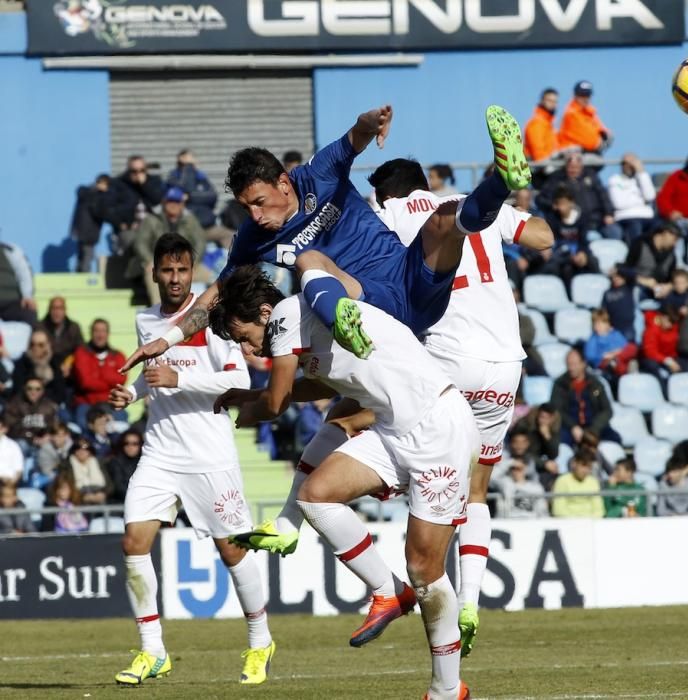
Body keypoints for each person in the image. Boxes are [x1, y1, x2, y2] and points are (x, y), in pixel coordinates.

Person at [208, 266, 477, 700]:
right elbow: (316, 383)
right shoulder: (304, 322)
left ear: (262, 312)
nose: (245, 348)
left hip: (437, 427)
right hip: (395, 429)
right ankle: (387, 592)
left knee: (425, 569)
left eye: (242, 336)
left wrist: (249, 408)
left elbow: (276, 403)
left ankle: (447, 689)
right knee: (316, 495)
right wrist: (253, 395)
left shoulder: (284, 316)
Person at [122, 104, 530, 373]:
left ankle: (502, 181)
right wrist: (168, 337)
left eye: (260, 202)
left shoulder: (319, 172)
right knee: (308, 260)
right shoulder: (251, 238)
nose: (255, 216)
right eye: (246, 208)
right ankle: (342, 324)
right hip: (370, 307)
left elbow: (357, 134)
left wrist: (374, 121)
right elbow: (216, 292)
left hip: (413, 283)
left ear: (284, 183)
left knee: (443, 220)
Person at [352, 157, 552, 656]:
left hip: (446, 354)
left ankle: (409, 564)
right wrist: (513, 204)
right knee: (476, 487)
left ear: (386, 195)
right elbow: (544, 238)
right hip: (505, 362)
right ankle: (470, 602)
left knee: (379, 418)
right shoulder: (469, 204)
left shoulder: (392, 214)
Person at [107, 234, 274, 686]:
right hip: (160, 450)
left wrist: (178, 377)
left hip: (209, 452)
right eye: (168, 270)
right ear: (155, 273)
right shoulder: (146, 320)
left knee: (232, 550)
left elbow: (236, 379)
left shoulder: (216, 318)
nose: (175, 279)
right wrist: (133, 393)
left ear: (193, 271)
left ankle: (260, 641)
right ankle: (152, 651)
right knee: (133, 544)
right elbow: (151, 375)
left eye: (183, 270)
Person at [129, 186, 207, 305]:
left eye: (176, 201)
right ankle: (161, 310)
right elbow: (140, 243)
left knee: (208, 275)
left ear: (182, 204)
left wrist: (193, 262)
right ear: (163, 202)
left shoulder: (190, 220)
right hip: (157, 264)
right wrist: (149, 260)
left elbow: (200, 242)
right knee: (153, 275)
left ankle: (204, 311)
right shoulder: (151, 219)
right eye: (170, 201)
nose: (173, 205)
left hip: (183, 263)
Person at [537, 153, 620, 240]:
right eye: (570, 167)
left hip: (597, 220)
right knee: (590, 237)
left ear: (581, 166)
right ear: (566, 166)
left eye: (576, 167)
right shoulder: (557, 179)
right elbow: (541, 199)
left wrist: (609, 214)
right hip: (571, 226)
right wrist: (554, 205)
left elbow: (603, 195)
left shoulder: (591, 176)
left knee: (614, 232)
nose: (573, 170)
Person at [550, 348, 615, 447]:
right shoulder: (560, 384)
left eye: (574, 364)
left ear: (583, 363)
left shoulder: (595, 384)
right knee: (560, 442)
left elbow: (607, 410)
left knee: (614, 439)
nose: (571, 368)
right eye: (569, 364)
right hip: (569, 427)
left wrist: (593, 429)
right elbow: (557, 409)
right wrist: (573, 427)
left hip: (593, 426)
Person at [71, 319, 128, 426]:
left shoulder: (118, 356)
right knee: (84, 428)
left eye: (103, 331)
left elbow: (121, 380)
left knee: (121, 427)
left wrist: (98, 374)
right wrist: (109, 380)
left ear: (108, 333)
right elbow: (85, 382)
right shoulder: (81, 353)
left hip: (111, 403)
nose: (100, 335)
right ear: (91, 333)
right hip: (87, 404)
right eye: (96, 331)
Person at [107, 155, 165, 248]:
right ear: (128, 170)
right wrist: (121, 224)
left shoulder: (153, 181)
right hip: (130, 229)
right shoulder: (119, 183)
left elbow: (157, 200)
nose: (138, 174)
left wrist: (144, 184)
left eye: (142, 170)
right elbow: (109, 208)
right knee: (135, 245)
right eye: (134, 171)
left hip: (152, 227)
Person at [607, 154, 656, 242]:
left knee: (661, 228)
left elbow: (650, 196)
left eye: (632, 162)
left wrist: (641, 172)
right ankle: (636, 254)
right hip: (626, 217)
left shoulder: (642, 178)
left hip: (647, 216)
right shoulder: (615, 179)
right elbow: (619, 204)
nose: (628, 166)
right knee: (635, 227)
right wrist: (641, 201)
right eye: (625, 163)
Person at [12, 330, 67, 405]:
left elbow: (60, 391)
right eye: (32, 344)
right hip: (26, 406)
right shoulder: (22, 363)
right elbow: (18, 390)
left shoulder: (55, 362)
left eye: (40, 345)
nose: (36, 348)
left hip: (51, 404)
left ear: (47, 345)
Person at [166, 149, 218, 228]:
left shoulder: (201, 177)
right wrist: (189, 167)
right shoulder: (173, 178)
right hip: (185, 226)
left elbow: (213, 197)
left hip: (207, 222)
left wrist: (190, 197)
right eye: (187, 163)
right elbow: (187, 189)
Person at [70, 173, 111, 273]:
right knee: (88, 255)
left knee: (82, 255)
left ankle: (80, 275)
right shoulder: (95, 195)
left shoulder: (87, 193)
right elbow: (98, 212)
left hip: (82, 230)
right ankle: (84, 277)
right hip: (89, 232)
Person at [557, 80, 611, 154]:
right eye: (582, 94)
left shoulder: (589, 113)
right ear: (575, 95)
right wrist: (601, 139)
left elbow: (605, 133)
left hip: (583, 153)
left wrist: (603, 136)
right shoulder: (571, 114)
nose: (585, 98)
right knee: (593, 159)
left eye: (587, 95)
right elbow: (592, 142)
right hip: (570, 156)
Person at [551, 451, 604, 518]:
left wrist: (587, 522)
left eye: (589, 467)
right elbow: (558, 510)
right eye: (583, 465)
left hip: (590, 524)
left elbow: (599, 510)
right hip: (567, 525)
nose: (586, 470)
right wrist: (577, 522)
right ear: (574, 463)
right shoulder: (562, 481)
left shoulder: (593, 482)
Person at [583, 309, 633, 380]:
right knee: (613, 363)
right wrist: (604, 356)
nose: (598, 326)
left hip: (618, 357)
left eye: (601, 323)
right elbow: (590, 355)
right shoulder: (594, 339)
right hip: (604, 363)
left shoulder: (615, 334)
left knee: (631, 348)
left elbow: (625, 346)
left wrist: (614, 353)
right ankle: (625, 372)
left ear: (608, 324)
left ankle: (626, 370)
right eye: (596, 324)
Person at [0, 240, 37, 324]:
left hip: (11, 303)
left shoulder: (10, 250)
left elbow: (24, 273)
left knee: (29, 314)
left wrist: (27, 296)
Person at [67, 437, 111, 506]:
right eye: (77, 447)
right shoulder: (66, 466)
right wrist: (82, 496)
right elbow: (65, 488)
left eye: (86, 448)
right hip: (78, 502)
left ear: (90, 450)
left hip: (101, 499)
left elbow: (110, 485)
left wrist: (104, 494)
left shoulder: (100, 463)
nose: (82, 451)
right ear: (73, 450)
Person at [524, 87, 560, 162]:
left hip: (549, 163)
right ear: (542, 101)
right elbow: (539, 155)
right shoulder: (536, 123)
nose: (553, 104)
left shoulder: (549, 124)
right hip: (539, 167)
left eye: (555, 101)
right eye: (549, 100)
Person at [106, 430, 142, 504]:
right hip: (119, 505)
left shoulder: (145, 462)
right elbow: (119, 487)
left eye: (135, 444)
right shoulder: (115, 462)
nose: (130, 447)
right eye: (126, 443)